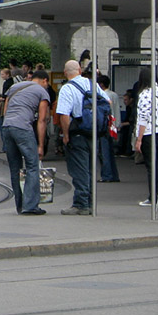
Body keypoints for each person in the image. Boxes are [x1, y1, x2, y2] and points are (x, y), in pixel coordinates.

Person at [1, 69, 51, 215]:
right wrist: (40, 145)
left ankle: (20, 205)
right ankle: (30, 206)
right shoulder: (42, 92)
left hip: (7, 127)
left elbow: (5, 110)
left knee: (15, 168)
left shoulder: (14, 87)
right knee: (32, 165)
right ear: (44, 81)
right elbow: (42, 120)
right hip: (22, 127)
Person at [55, 59, 96, 215]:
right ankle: (91, 202)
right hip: (93, 133)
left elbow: (64, 115)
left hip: (77, 133)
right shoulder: (92, 84)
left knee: (79, 170)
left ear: (65, 73)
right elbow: (108, 101)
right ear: (80, 70)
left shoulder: (67, 88)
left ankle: (81, 204)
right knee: (90, 169)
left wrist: (65, 135)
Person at [133, 67, 158, 206]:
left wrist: (139, 139)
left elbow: (143, 117)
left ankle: (153, 196)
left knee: (151, 166)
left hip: (148, 133)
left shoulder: (145, 94)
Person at [97, 74, 120, 182]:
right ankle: (114, 175)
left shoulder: (101, 95)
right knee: (110, 152)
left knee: (104, 152)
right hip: (113, 126)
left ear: (101, 84)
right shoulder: (114, 95)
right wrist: (117, 125)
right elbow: (116, 111)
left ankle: (107, 175)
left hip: (105, 126)